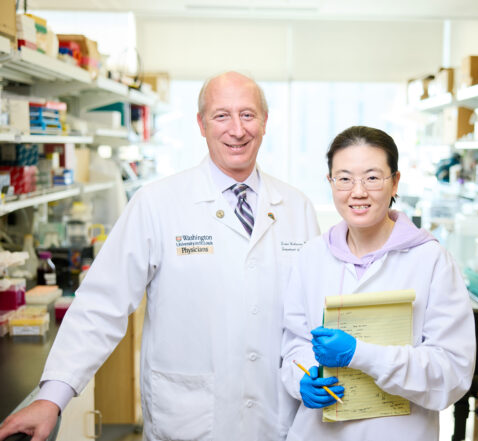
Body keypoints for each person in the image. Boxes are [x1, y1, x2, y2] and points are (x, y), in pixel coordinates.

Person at [0, 71, 320, 441]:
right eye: (221, 115)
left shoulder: (297, 208)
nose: (237, 129)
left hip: (276, 419)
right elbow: (102, 304)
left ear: (265, 122)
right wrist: (51, 398)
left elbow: (309, 319)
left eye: (248, 115)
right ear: (201, 124)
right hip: (191, 422)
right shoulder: (156, 203)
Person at [280, 125, 475, 440]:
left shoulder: (431, 261)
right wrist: (302, 378)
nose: (358, 192)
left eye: (372, 177)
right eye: (344, 178)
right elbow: (296, 344)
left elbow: (452, 373)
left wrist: (361, 354)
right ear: (329, 182)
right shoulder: (310, 258)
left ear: (395, 181)